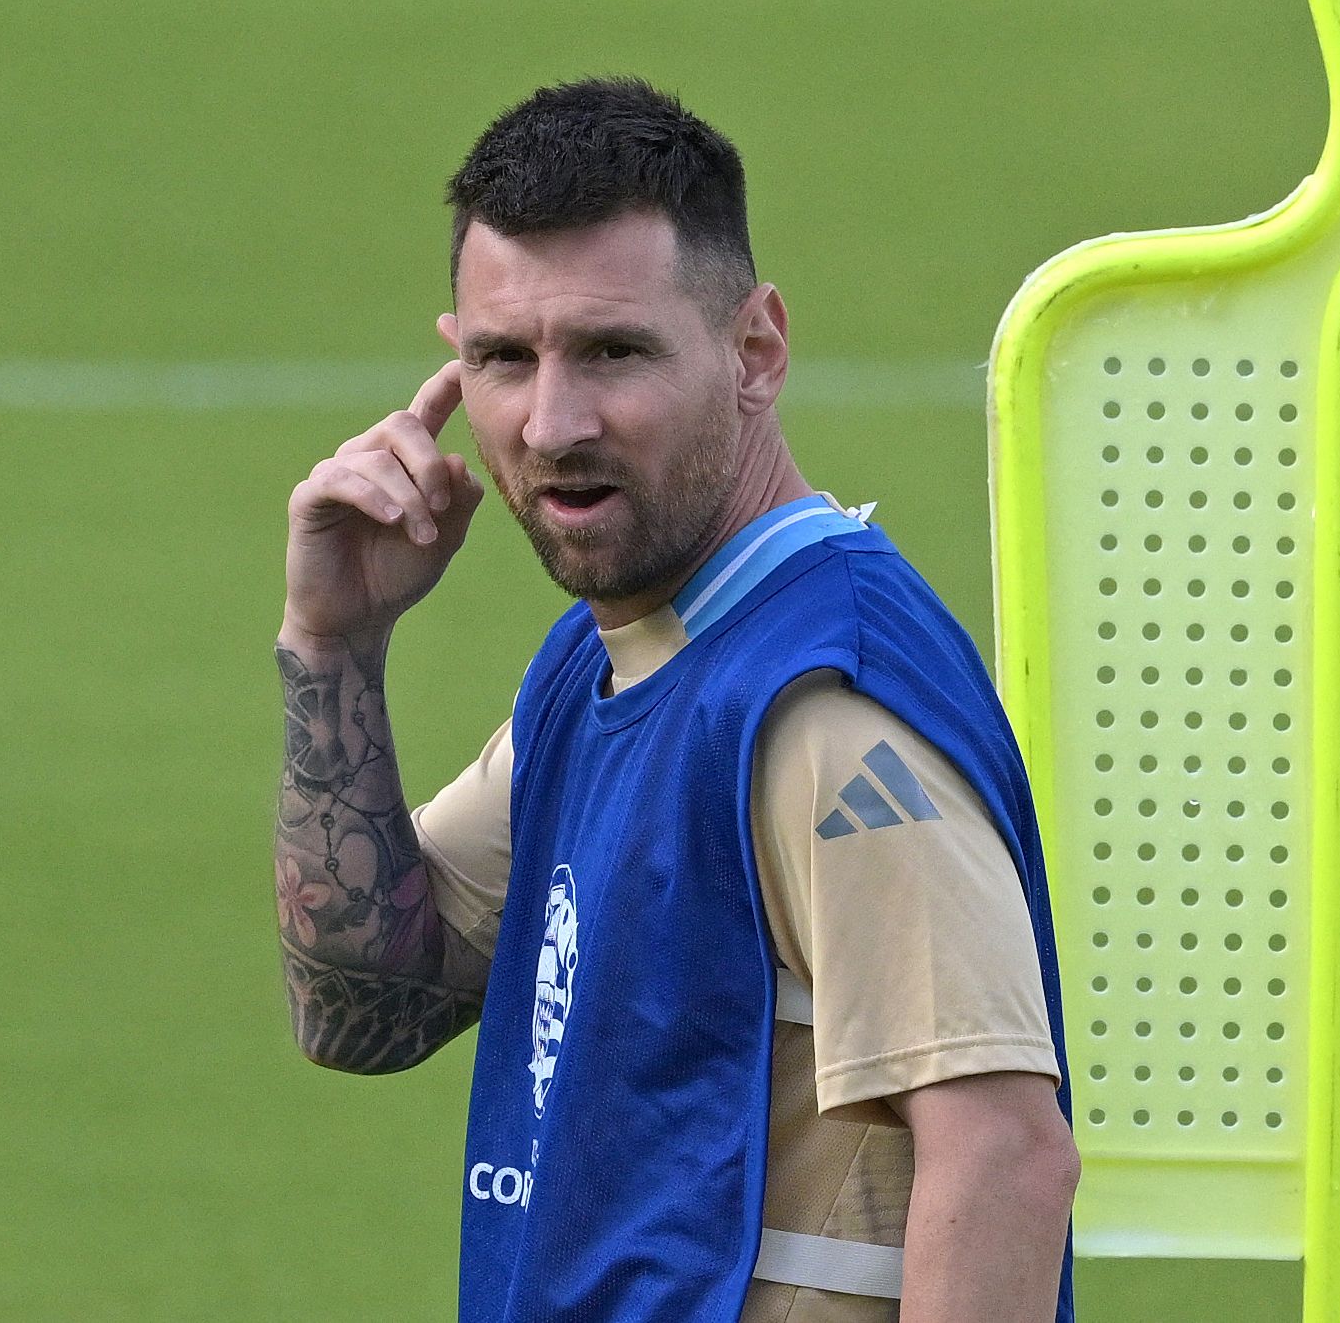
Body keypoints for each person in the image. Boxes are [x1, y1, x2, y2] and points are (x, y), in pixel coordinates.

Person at [273, 77, 1078, 1322]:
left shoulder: (822, 709)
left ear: (755, 351)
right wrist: (334, 646)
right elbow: (363, 1009)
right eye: (504, 357)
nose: (552, 421)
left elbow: (1009, 1156)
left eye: (613, 351)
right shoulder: (606, 668)